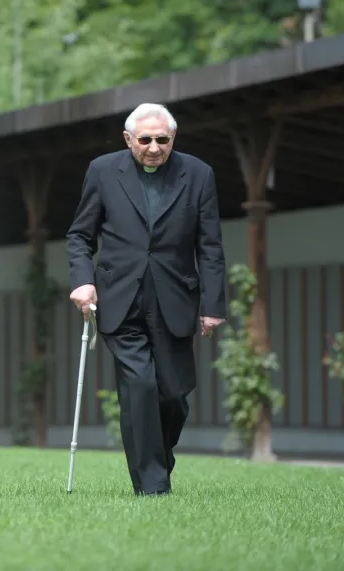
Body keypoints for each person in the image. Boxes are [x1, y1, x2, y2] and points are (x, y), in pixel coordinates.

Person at [65, 103, 227, 496]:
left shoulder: (198, 174)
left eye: (162, 140)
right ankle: (152, 485)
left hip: (175, 299)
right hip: (119, 298)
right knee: (139, 386)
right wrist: (83, 282)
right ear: (128, 139)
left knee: (172, 393)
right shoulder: (103, 170)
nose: (154, 148)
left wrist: (212, 305)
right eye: (145, 140)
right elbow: (80, 236)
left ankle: (157, 458)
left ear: (173, 139)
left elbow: (210, 246)